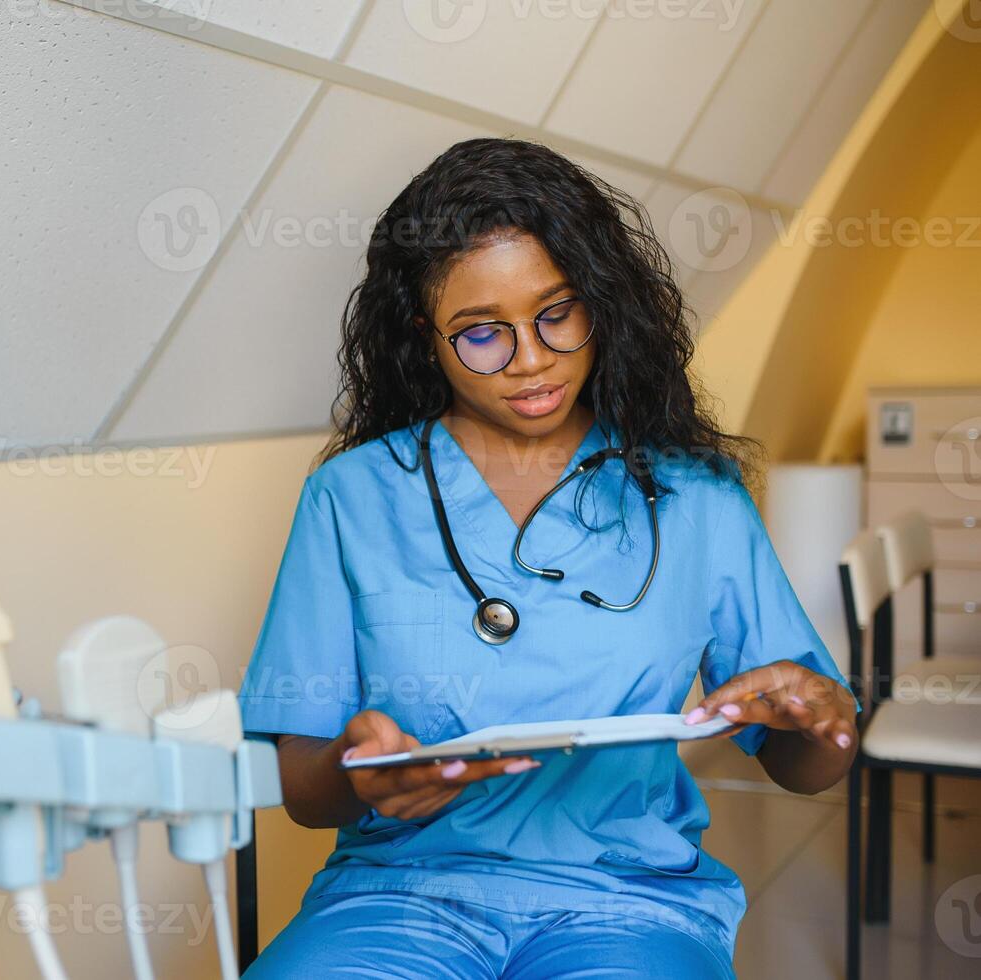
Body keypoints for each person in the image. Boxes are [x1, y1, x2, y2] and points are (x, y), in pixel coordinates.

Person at [237, 138, 858, 978]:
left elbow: (807, 769)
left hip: (629, 902)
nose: (531, 359)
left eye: (557, 314)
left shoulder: (695, 495)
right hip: (397, 897)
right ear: (427, 339)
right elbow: (306, 791)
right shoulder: (351, 498)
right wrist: (360, 772)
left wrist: (819, 715)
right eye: (483, 334)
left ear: (601, 303)